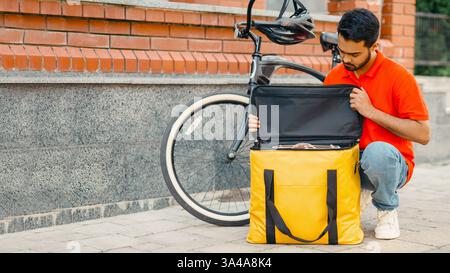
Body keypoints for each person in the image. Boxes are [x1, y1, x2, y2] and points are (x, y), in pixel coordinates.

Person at [248, 8, 430, 240]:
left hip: (390, 165)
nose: (346, 59)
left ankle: (386, 208)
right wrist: (267, 125)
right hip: (346, 160)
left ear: (374, 47)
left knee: (377, 154)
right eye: (342, 51)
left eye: (354, 54)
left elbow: (423, 134)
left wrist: (371, 111)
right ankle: (357, 191)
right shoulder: (336, 76)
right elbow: (322, 126)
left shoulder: (399, 77)